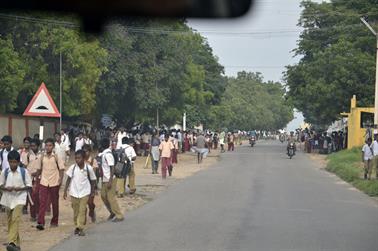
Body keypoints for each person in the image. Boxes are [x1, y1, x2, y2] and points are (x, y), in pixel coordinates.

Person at [0, 150, 32, 251]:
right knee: (10, 221)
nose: (12, 164)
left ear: (18, 162)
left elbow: (29, 186)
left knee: (15, 219)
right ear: (8, 161)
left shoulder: (24, 172)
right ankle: (17, 245)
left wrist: (20, 189)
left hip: (20, 198)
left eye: (14, 162)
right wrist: (6, 188)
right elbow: (1, 185)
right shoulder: (5, 172)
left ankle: (11, 242)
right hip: (7, 199)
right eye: (10, 162)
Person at [34, 138, 65, 230]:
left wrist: (60, 180)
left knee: (54, 203)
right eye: (46, 145)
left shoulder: (56, 157)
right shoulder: (41, 157)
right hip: (43, 181)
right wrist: (36, 181)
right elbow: (38, 170)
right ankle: (41, 222)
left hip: (54, 182)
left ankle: (55, 221)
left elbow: (61, 169)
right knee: (42, 202)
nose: (48, 147)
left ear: (53, 147)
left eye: (50, 145)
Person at [63, 150, 96, 236]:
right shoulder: (72, 168)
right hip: (74, 192)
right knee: (76, 211)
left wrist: (92, 191)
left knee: (82, 210)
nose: (77, 160)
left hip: (85, 192)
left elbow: (93, 180)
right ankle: (77, 226)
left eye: (79, 158)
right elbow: (68, 179)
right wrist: (65, 190)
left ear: (84, 158)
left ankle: (80, 227)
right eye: (76, 158)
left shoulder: (89, 168)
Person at [98, 138, 124, 222]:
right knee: (103, 196)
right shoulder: (104, 154)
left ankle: (119, 215)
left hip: (110, 179)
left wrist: (110, 181)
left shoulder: (108, 154)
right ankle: (112, 212)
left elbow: (112, 167)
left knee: (110, 197)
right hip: (105, 178)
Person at [83, 144, 99, 223]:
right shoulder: (80, 160)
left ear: (90, 152)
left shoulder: (93, 161)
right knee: (82, 203)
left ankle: (92, 211)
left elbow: (94, 175)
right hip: (82, 184)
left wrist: (95, 186)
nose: (85, 153)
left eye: (86, 151)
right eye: (84, 151)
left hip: (90, 184)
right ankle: (83, 219)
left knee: (90, 202)